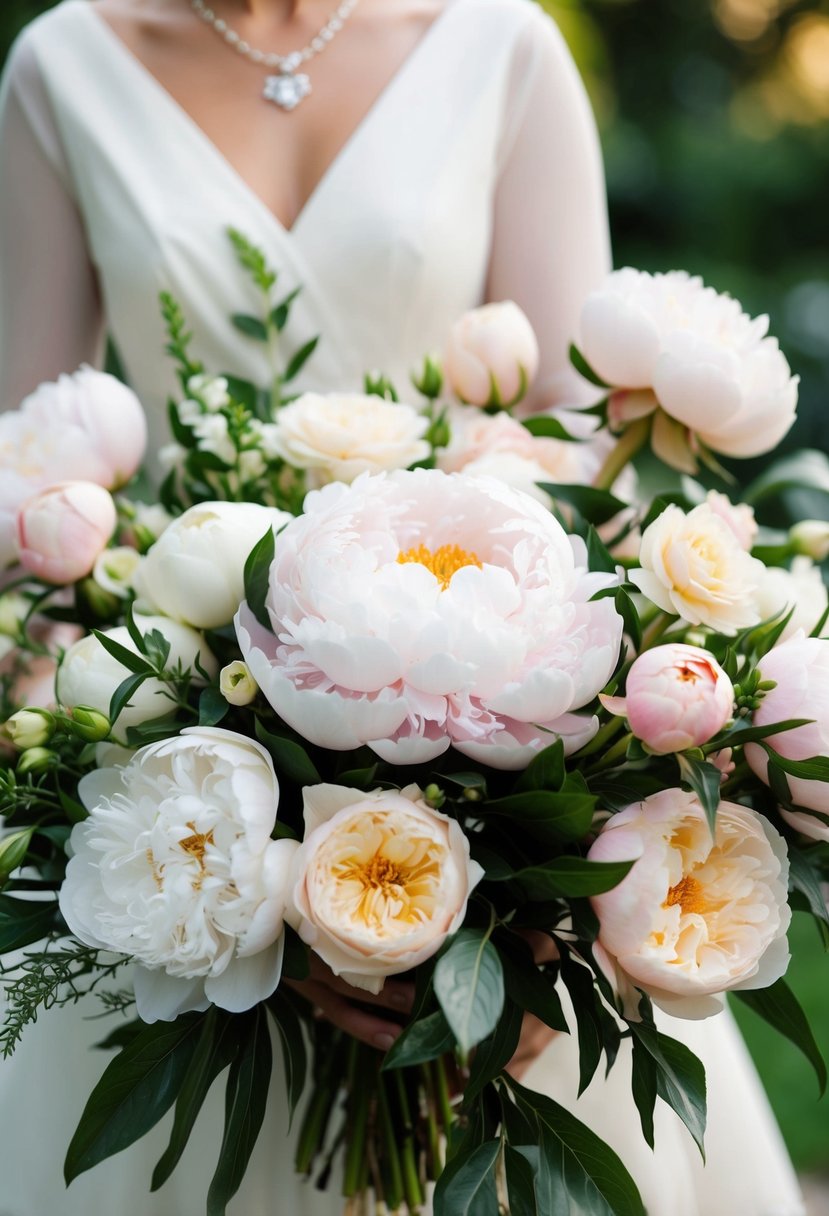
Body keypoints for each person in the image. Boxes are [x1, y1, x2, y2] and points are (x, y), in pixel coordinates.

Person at [0, 2, 806, 1213]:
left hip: (496, 674)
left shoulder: (504, 49)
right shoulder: (63, 62)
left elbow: (586, 485)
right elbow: (28, 490)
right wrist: (157, 809)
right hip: (197, 744)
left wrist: (541, 922)